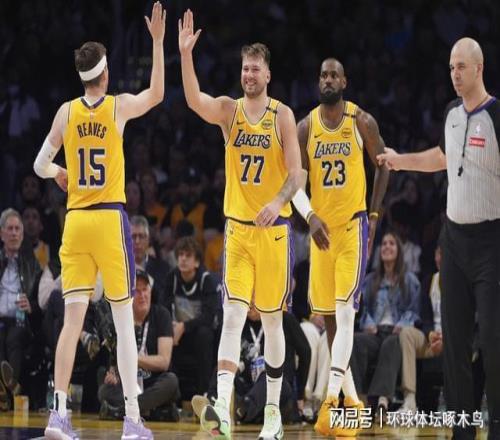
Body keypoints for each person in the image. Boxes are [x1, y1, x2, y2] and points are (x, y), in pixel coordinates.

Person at [33, 3, 166, 439]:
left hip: (75, 222)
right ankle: (133, 419)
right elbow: (157, 93)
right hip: (109, 220)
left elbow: (39, 165)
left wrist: (59, 173)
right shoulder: (117, 107)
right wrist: (158, 43)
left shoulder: (66, 112)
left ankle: (58, 413)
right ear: (105, 75)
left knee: (71, 324)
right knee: (124, 322)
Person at [178, 9, 303, 439]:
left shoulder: (282, 115)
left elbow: (298, 175)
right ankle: (223, 408)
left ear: (267, 74)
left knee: (272, 321)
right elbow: (194, 100)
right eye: (245, 68)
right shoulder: (229, 111)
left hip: (274, 232)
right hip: (237, 231)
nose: (249, 74)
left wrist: (278, 201)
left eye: (255, 68)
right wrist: (185, 55)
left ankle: (273, 414)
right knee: (232, 316)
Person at [377, 37, 500, 439]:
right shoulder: (451, 114)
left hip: (491, 241)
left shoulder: (496, 115)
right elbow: (440, 158)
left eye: (461, 66)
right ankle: (462, 430)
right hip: (454, 241)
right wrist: (399, 161)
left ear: (479, 68)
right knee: (455, 343)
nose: (454, 74)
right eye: (451, 67)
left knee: (493, 340)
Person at [290, 57, 389, 436]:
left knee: (346, 314)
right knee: (331, 321)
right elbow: (294, 182)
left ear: (344, 81)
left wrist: (374, 215)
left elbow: (383, 164)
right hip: (321, 234)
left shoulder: (360, 121)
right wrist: (310, 216)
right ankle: (355, 404)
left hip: (352, 228)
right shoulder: (306, 127)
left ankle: (330, 401)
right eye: (323, 75)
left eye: (334, 75)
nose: (328, 80)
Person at [350, 232, 420, 413]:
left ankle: (382, 400)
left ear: (399, 250)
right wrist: (367, 323)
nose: (387, 247)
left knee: (391, 344)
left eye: (392, 243)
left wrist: (403, 324)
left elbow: (414, 310)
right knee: (355, 341)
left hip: (396, 332)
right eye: (384, 243)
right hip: (376, 331)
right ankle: (358, 398)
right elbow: (362, 309)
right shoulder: (370, 280)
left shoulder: (409, 279)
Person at [98, 269, 179, 421]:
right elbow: (114, 360)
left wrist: (131, 358)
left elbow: (163, 362)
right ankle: (150, 410)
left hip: (153, 383)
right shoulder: (121, 318)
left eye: (145, 290)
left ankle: (119, 412)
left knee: (171, 381)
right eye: (137, 291)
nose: (142, 295)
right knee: (104, 390)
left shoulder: (161, 315)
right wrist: (113, 374)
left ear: (150, 291)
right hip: (129, 385)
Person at [163, 236, 218, 405]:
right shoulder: (172, 278)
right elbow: (164, 309)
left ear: (197, 262)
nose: (183, 259)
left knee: (204, 335)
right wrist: (172, 327)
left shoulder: (206, 280)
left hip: (198, 331)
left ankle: (204, 395)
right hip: (177, 330)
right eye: (180, 255)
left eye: (188, 256)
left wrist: (184, 326)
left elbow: (209, 317)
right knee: (164, 334)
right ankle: (171, 398)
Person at [0, 208, 42, 410]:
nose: (14, 233)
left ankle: (6, 393)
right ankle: (8, 390)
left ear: (23, 235)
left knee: (14, 337)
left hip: (21, 322)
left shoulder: (32, 265)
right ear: (2, 233)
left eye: (18, 229)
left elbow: (42, 302)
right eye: (10, 229)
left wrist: (31, 306)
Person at [398, 243, 443, 413]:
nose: (441, 259)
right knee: (407, 333)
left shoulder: (462, 283)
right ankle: (409, 400)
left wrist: (446, 338)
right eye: (438, 254)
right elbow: (422, 316)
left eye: (445, 254)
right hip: (432, 339)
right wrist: (430, 333)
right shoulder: (429, 281)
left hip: (454, 342)